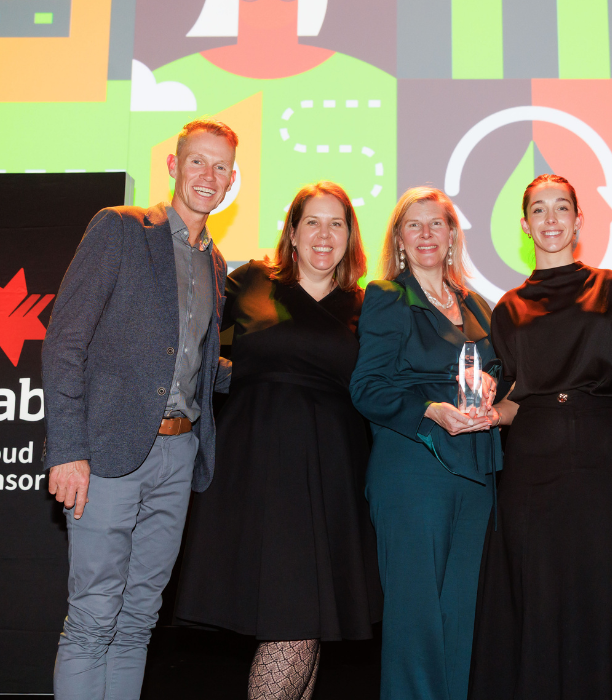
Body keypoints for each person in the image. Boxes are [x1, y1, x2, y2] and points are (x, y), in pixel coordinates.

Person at [42, 118, 237, 700]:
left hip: (179, 457)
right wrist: (68, 451)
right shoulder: (121, 229)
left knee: (137, 622)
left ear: (232, 180)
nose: (208, 176)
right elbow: (65, 341)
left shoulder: (216, 263)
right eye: (197, 161)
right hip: (107, 454)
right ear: (174, 166)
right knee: (94, 616)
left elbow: (191, 359)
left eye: (221, 167)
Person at [175, 182, 382, 700]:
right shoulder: (250, 280)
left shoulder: (368, 306)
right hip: (258, 465)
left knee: (306, 617)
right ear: (291, 232)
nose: (323, 234)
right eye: (312, 221)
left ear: (350, 237)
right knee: (294, 617)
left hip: (332, 472)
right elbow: (186, 335)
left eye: (336, 224)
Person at [468, 174, 612, 700]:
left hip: (599, 453)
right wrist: (486, 415)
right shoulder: (507, 308)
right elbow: (517, 398)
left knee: (605, 583)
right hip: (531, 463)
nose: (550, 219)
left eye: (561, 208)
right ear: (524, 224)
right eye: (539, 209)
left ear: (579, 221)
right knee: (537, 588)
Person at [350, 187, 501, 700]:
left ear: (452, 235)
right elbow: (366, 388)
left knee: (463, 618)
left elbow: (498, 369)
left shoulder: (476, 303)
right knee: (417, 618)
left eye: (436, 223)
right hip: (414, 468)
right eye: (413, 225)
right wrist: (431, 409)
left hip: (477, 473)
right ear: (399, 239)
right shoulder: (388, 297)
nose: (426, 234)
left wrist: (492, 384)